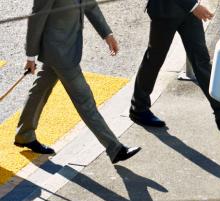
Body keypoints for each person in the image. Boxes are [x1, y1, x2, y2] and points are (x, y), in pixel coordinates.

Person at [15, 0, 140, 164]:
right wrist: (30, 57)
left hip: (66, 48)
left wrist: (107, 34)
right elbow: (37, 18)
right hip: (59, 53)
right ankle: (115, 148)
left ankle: (24, 135)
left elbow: (90, 5)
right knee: (85, 100)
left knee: (40, 91)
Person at [130, 0, 220, 129]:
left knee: (201, 59)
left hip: (189, 10)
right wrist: (193, 6)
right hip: (166, 9)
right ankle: (138, 108)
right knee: (154, 59)